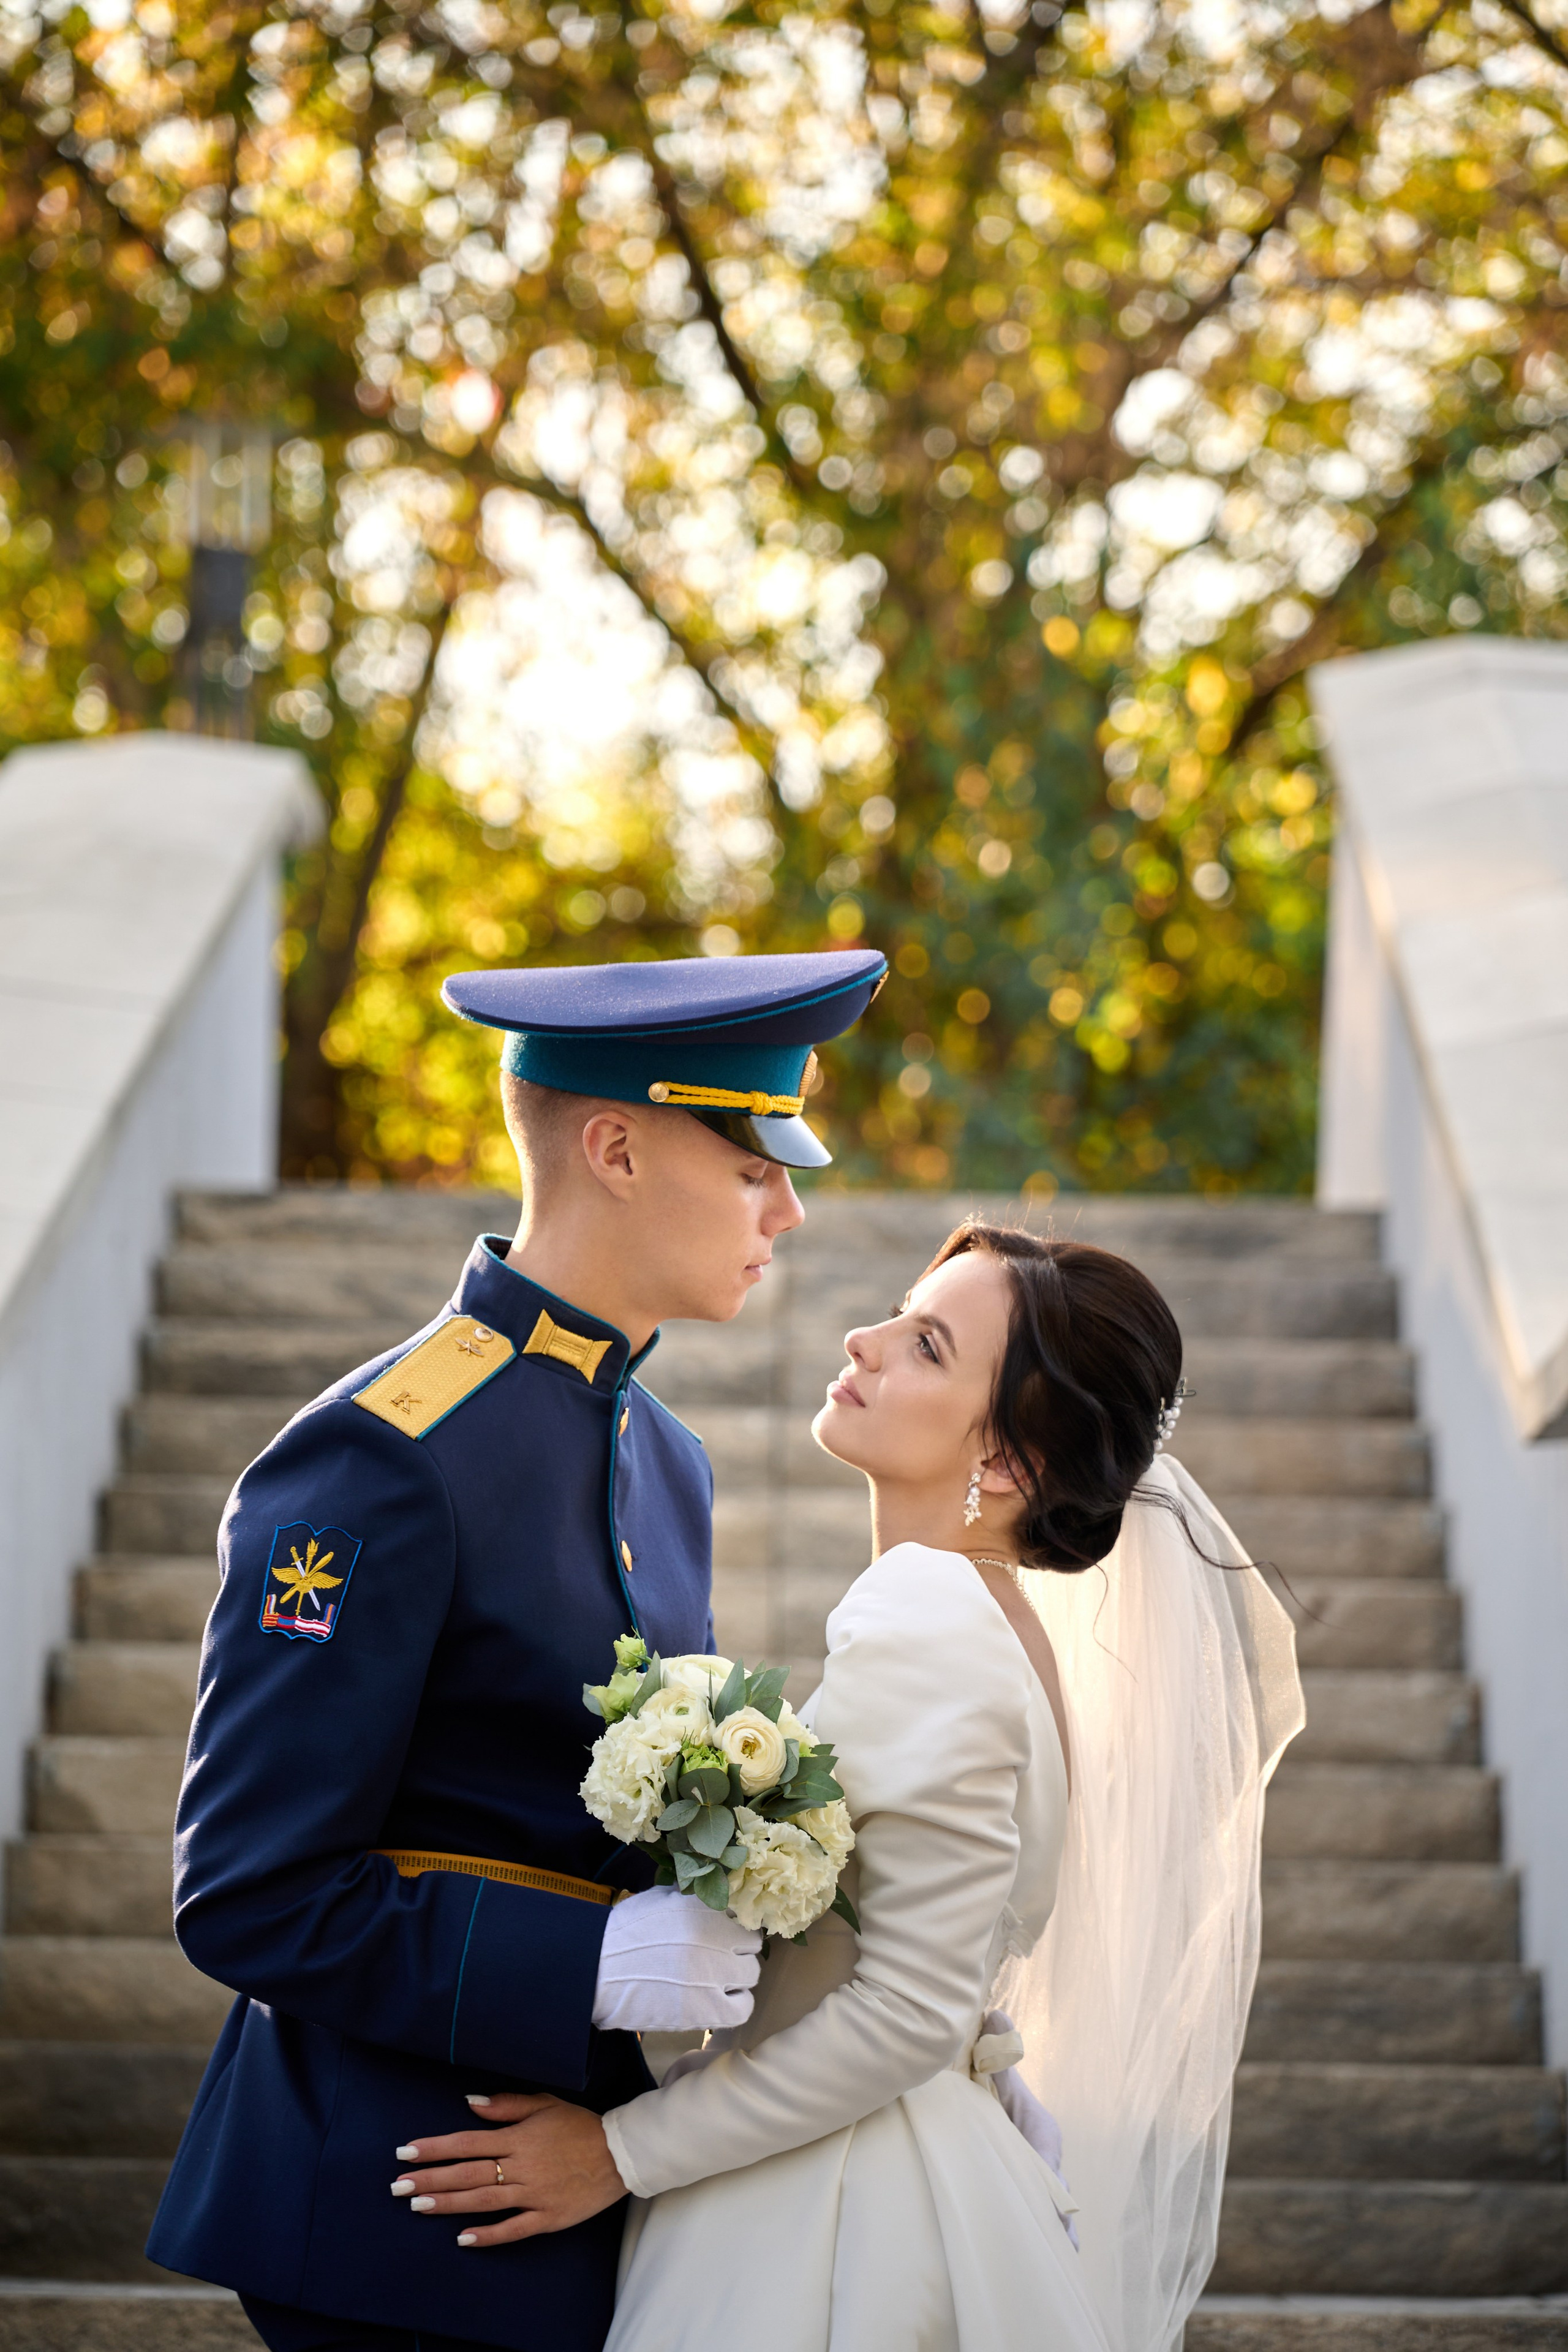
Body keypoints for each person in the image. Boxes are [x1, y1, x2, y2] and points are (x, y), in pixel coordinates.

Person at [145, 946, 887, 2352]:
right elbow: (249, 1893)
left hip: (585, 2189)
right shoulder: (379, 1457)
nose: (786, 1209)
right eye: (752, 1165)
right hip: (393, 2210)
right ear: (614, 1145)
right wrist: (591, 1964)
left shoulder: (663, 1455)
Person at [388, 1223, 1304, 2352]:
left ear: (1011, 1461)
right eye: (898, 1313)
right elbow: (937, 1953)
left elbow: (908, 2012)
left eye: (925, 1346)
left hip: (831, 2212)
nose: (863, 1342)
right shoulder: (1002, 1625)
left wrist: (617, 2153)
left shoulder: (928, 1610)